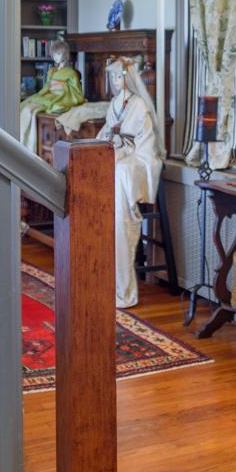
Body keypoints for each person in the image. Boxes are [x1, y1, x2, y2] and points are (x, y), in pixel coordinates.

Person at [100, 56, 164, 309]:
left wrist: (125, 151)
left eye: (119, 76)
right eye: (113, 77)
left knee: (122, 171)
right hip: (117, 150)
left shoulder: (139, 105)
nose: (116, 82)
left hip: (138, 155)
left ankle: (124, 289)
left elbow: (145, 141)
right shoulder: (115, 104)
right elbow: (107, 130)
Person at [16, 36, 84, 151]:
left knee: (43, 108)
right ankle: (22, 141)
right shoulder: (51, 71)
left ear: (65, 54)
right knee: (27, 107)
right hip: (50, 94)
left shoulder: (71, 73)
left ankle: (28, 145)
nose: (55, 57)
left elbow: (77, 91)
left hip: (62, 96)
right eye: (54, 54)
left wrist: (65, 90)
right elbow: (47, 86)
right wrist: (39, 94)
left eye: (58, 54)